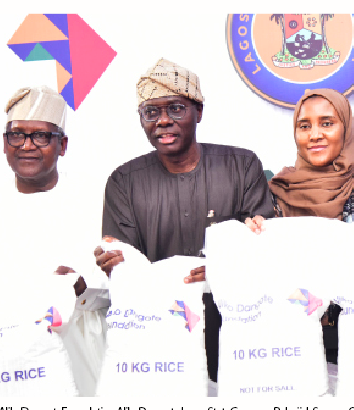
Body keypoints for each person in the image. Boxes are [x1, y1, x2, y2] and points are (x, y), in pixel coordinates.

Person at [95, 58, 275, 382]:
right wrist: (113, 261)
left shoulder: (242, 165)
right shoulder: (124, 181)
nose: (163, 121)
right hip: (162, 339)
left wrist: (223, 267)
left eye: (176, 108)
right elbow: (127, 269)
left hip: (237, 331)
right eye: (151, 112)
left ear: (199, 112)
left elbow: (261, 247)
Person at [0, 86, 109, 396]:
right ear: (5, 145)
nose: (27, 146)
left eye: (42, 136)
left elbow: (122, 289)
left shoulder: (95, 204)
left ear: (63, 145)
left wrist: (85, 288)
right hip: (13, 370)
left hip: (85, 355)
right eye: (16, 136)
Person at [244, 88, 354, 363]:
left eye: (327, 123)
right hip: (291, 347)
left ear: (347, 128)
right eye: (304, 126)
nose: (315, 135)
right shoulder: (275, 190)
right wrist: (255, 233)